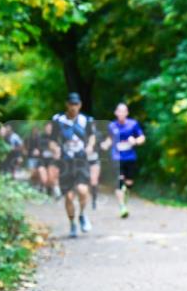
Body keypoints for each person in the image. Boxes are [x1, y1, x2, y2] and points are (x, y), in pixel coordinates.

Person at [50, 93, 97, 237]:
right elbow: (52, 140)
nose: (73, 107)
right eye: (71, 104)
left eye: (76, 104)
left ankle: (82, 214)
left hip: (81, 161)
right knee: (69, 197)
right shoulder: (58, 120)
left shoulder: (86, 120)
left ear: (80, 105)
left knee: (83, 190)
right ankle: (72, 224)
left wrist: (89, 146)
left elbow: (92, 136)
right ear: (67, 105)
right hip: (65, 162)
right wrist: (55, 149)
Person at [101, 102, 145, 219]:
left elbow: (142, 138)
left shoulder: (133, 124)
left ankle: (124, 201)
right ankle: (122, 207)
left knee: (129, 184)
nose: (121, 113)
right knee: (119, 182)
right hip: (116, 158)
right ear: (116, 113)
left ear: (127, 113)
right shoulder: (112, 126)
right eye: (119, 111)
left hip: (130, 158)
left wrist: (135, 141)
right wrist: (104, 146)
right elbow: (109, 139)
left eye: (123, 111)